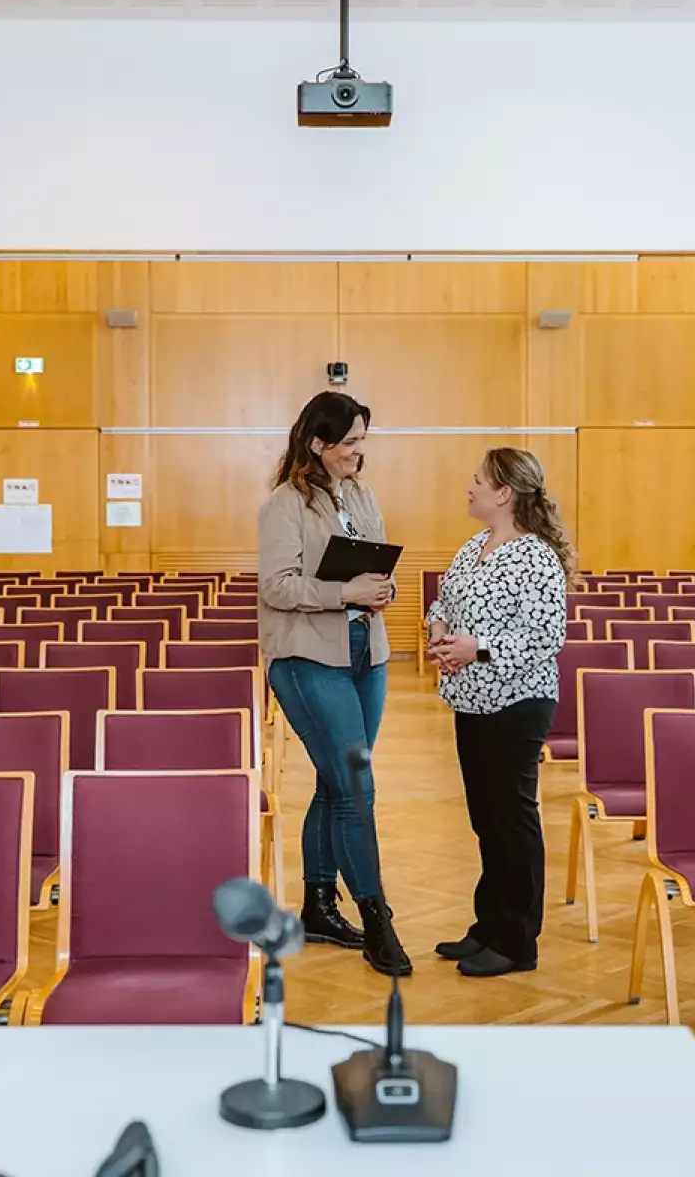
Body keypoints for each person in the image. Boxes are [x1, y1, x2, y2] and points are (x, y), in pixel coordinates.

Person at [258, 391, 412, 977]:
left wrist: (381, 589)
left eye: (363, 440)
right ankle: (377, 917)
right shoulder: (284, 504)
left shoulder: (361, 494)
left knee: (334, 782)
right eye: (350, 442)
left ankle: (319, 906)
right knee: (355, 788)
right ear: (318, 443)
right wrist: (345, 594)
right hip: (305, 657)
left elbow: (370, 565)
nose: (359, 451)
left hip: (364, 651)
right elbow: (276, 586)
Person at [426, 447, 571, 977]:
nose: (470, 487)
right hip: (471, 700)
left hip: (517, 702)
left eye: (478, 480)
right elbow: (443, 602)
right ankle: (488, 926)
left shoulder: (535, 557)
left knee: (512, 822)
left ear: (504, 494)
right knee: (486, 820)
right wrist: (440, 632)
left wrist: (475, 648)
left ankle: (517, 942)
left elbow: (544, 637)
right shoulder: (474, 546)